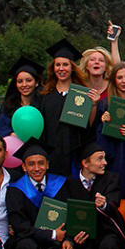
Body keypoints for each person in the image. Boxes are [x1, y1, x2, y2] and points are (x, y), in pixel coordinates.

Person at [58, 143, 125, 249]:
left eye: (104, 158)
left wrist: (104, 204)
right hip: (82, 243)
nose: (104, 162)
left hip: (104, 234)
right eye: (99, 159)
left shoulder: (111, 179)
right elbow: (64, 215)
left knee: (110, 243)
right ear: (85, 163)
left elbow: (114, 204)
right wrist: (70, 238)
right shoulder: (69, 184)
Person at [2, 142, 73, 249]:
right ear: (24, 167)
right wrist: (53, 234)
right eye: (31, 164)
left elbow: (69, 217)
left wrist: (68, 238)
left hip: (54, 242)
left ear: (47, 164)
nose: (37, 168)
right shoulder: (16, 190)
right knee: (28, 246)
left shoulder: (60, 185)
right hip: (27, 240)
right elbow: (20, 227)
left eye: (41, 163)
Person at [40, 38, 93, 177]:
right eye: (58, 65)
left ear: (72, 68)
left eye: (65, 65)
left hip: (75, 157)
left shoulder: (81, 94)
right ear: (53, 68)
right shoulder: (46, 97)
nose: (61, 69)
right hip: (51, 158)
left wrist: (93, 104)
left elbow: (88, 127)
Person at [96, 61, 125, 191]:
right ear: (114, 80)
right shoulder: (105, 104)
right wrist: (102, 121)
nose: (124, 81)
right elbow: (98, 135)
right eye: (120, 77)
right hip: (113, 152)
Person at [0, 58, 42, 138]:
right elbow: (0, 129)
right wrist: (12, 134)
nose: (24, 85)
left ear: (36, 83)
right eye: (20, 81)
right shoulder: (8, 106)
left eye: (28, 80)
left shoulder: (43, 104)